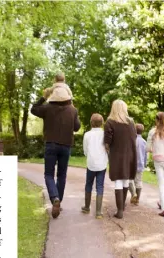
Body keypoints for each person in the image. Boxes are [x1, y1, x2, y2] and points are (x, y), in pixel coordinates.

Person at [31, 77, 81, 219]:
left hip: (51, 144)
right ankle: (58, 200)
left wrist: (43, 97)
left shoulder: (47, 108)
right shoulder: (72, 110)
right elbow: (77, 127)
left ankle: (55, 199)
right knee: (62, 175)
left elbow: (33, 109)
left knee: (48, 174)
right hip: (66, 145)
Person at [104, 100, 137, 219]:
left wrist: (108, 149)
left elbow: (107, 141)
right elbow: (134, 137)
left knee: (118, 180)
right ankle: (121, 207)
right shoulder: (131, 122)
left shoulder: (110, 122)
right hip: (129, 153)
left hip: (117, 154)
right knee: (125, 180)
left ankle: (120, 211)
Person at [81, 113, 108, 219]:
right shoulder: (105, 134)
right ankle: (98, 212)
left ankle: (87, 207)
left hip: (91, 164)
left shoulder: (87, 135)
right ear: (102, 123)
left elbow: (85, 151)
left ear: (91, 123)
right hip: (102, 164)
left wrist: (89, 155)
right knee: (100, 186)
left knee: (88, 185)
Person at [129, 123, 147, 206]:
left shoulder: (132, 140)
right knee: (138, 182)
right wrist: (145, 163)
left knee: (129, 180)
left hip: (131, 163)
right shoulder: (144, 142)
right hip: (140, 164)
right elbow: (145, 155)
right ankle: (137, 200)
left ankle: (133, 194)